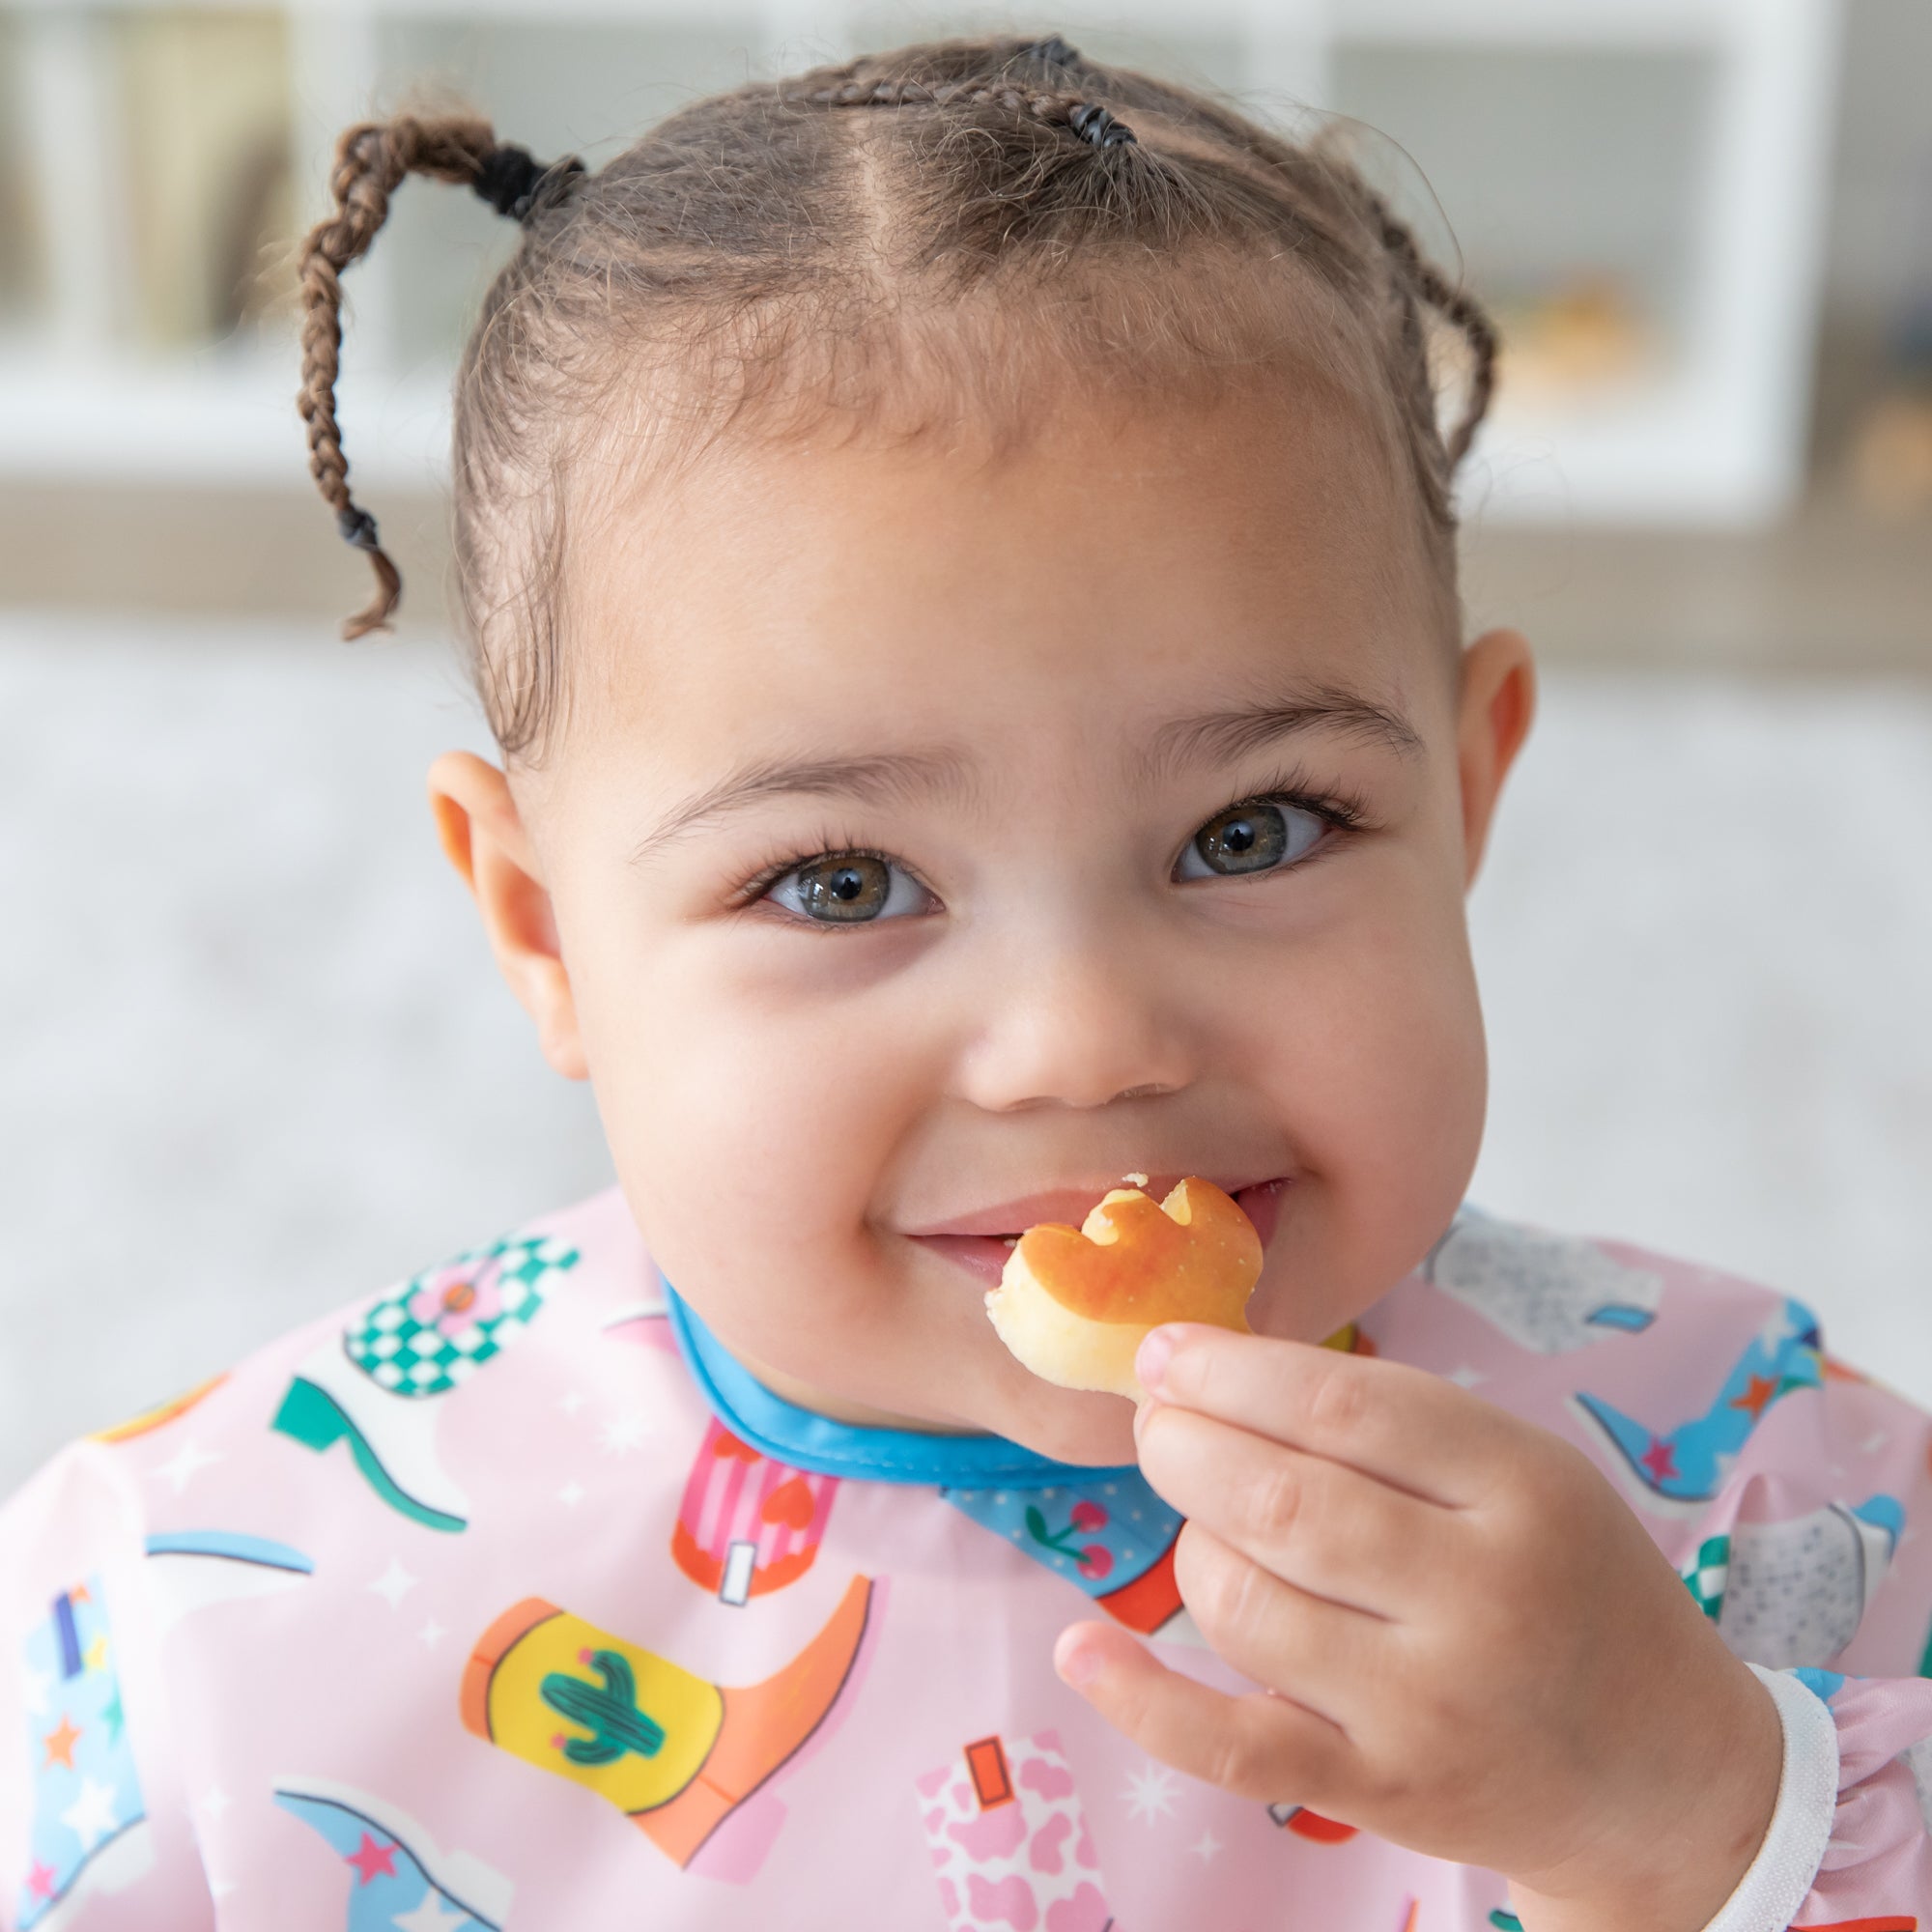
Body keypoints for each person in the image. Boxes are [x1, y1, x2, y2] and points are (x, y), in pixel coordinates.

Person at [4, 35, 1928, 1932]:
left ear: (1469, 789)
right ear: (541, 927)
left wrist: (1706, 1814)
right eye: (842, 882)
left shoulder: (1775, 1498)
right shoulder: (202, 1632)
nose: (1085, 1043)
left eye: (1252, 831)